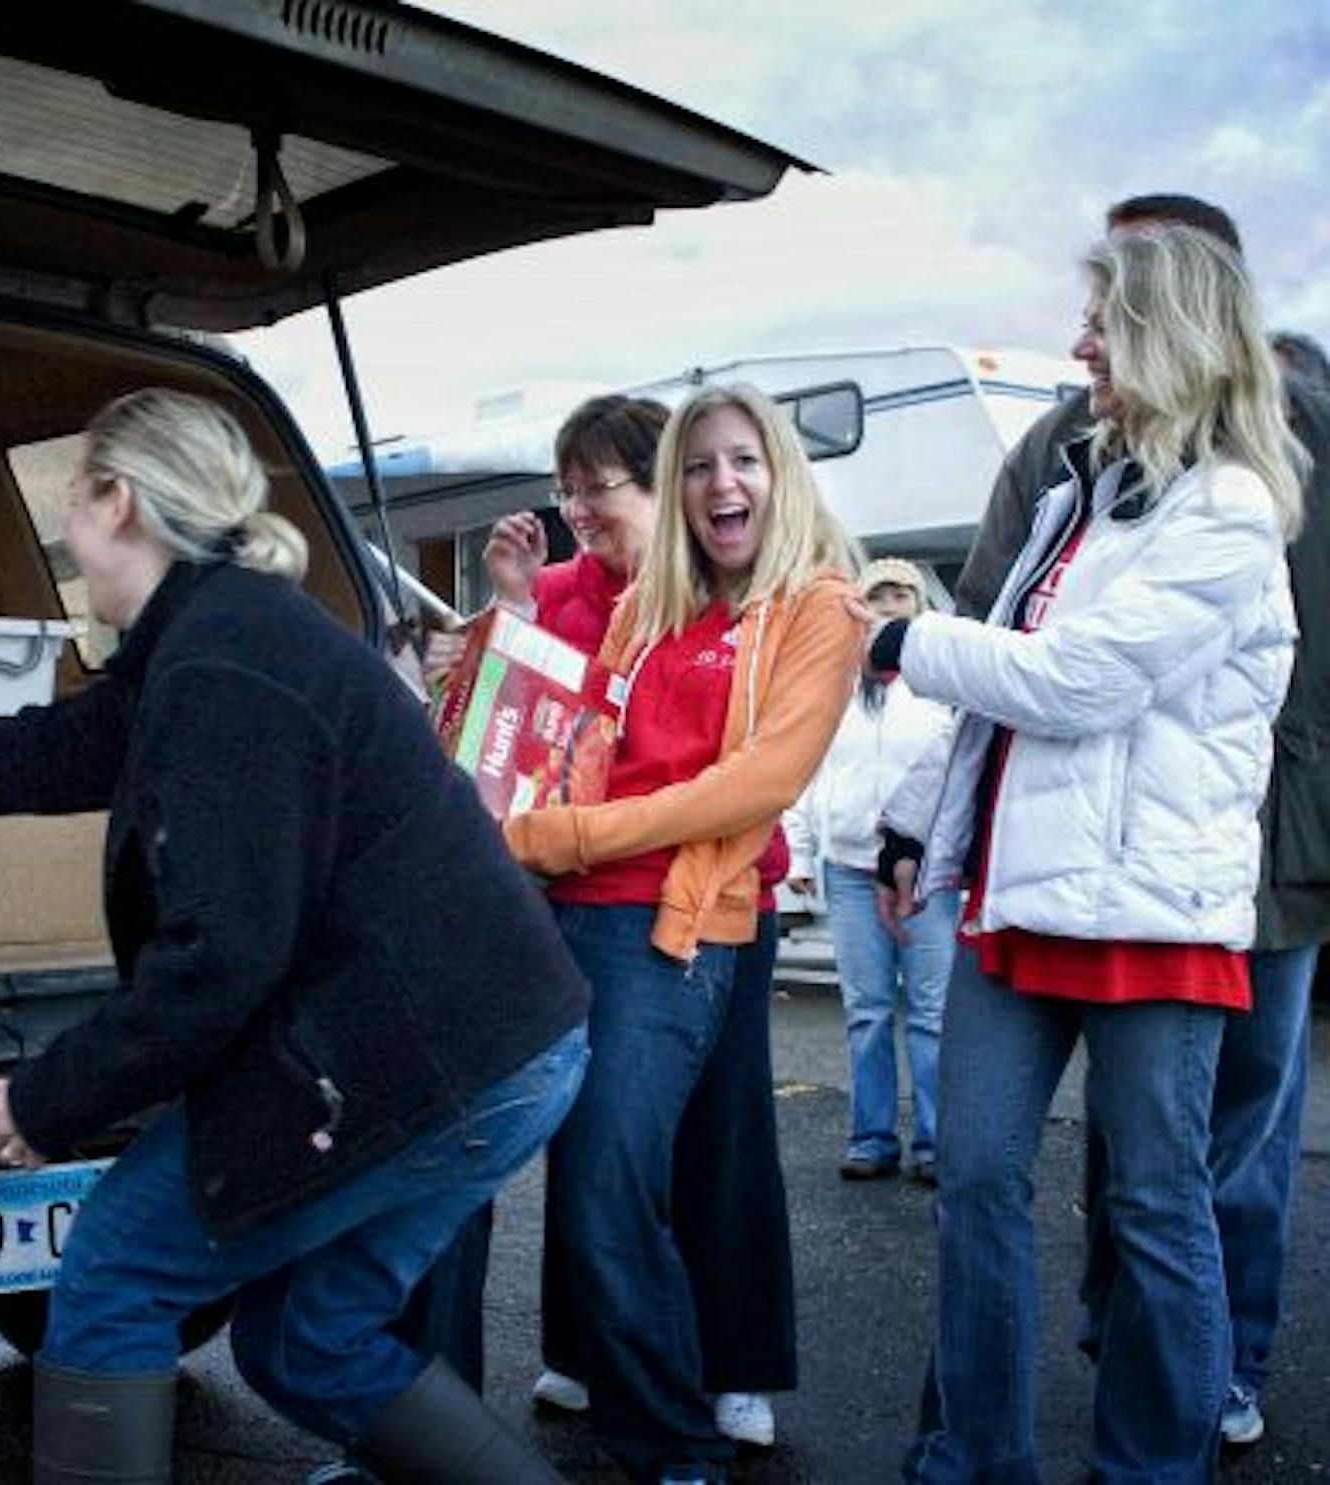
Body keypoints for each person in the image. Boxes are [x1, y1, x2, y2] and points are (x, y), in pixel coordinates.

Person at [0, 388, 591, 1485]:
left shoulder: (225, 665)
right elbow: (53, 749)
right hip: (503, 1046)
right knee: (304, 1344)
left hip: (426, 1053)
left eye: (71, 512)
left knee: (111, 1278)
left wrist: (56, 1095)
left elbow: (222, 959)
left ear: (124, 503)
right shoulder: (205, 636)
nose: (68, 541)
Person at [876, 224, 1301, 1481]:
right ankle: (975, 1456)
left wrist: (900, 642)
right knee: (974, 1184)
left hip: (1153, 918)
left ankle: (1151, 1465)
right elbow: (993, 701)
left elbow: (1078, 682)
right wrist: (913, 816)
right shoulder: (1080, 493)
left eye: (1104, 323)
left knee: (1156, 1208)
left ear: (1172, 335)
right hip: (1022, 896)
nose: (1081, 345)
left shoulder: (1231, 510)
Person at [501, 382, 863, 1485]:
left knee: (650, 1167)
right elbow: (583, 735)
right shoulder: (642, 607)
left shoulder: (819, 605)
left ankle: (675, 1431)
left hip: (678, 922)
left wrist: (566, 833)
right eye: (699, 466)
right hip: (570, 907)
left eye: (742, 461)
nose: (721, 484)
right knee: (592, 1170)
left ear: (780, 474)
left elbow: (757, 783)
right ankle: (642, 1403)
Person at [446, 395, 795, 1450]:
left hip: (721, 895)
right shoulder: (551, 589)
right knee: (594, 1136)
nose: (580, 508)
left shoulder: (725, 594)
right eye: (570, 488)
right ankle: (589, 1351)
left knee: (720, 1136)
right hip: (572, 893)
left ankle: (734, 1366)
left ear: (664, 485)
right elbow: (499, 731)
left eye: (603, 486)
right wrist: (507, 604)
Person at [786, 557, 958, 1185]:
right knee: (866, 1011)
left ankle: (936, 1143)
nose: (889, 604)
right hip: (850, 870)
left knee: (932, 1013)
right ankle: (873, 1138)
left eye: (901, 594)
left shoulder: (942, 684)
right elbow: (806, 773)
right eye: (878, 594)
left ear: (919, 606)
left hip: (927, 873)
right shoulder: (834, 684)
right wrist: (802, 855)